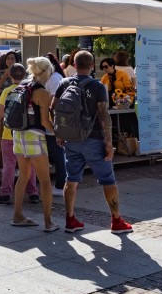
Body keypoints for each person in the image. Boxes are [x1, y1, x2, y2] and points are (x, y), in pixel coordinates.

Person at [57, 51, 133, 235]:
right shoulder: (97, 86)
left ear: (74, 65)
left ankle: (70, 219)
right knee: (108, 180)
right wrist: (108, 143)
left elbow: (56, 109)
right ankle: (116, 221)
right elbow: (104, 116)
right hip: (94, 140)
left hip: (71, 140)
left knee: (71, 179)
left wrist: (59, 134)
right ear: (92, 65)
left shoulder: (64, 83)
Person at [9, 58, 56, 231]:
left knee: (23, 176)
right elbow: (44, 121)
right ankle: (48, 222)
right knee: (44, 180)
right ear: (46, 72)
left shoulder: (23, 85)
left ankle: (17, 215)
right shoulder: (41, 92)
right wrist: (58, 133)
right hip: (34, 135)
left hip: (18, 134)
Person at [0, 64, 38, 206]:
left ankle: (5, 193)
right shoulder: (29, 89)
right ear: (24, 75)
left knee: (9, 165)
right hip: (27, 133)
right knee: (29, 165)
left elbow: (0, 113)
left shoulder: (7, 91)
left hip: (9, 134)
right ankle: (33, 193)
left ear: (10, 76)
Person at [42, 57, 66, 197]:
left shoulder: (54, 79)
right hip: (53, 122)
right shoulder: (55, 77)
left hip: (53, 122)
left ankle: (61, 184)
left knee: (58, 154)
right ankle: (61, 183)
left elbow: (54, 103)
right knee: (57, 154)